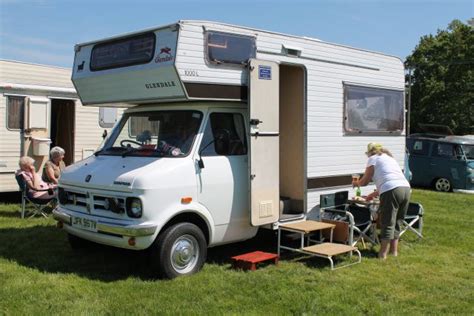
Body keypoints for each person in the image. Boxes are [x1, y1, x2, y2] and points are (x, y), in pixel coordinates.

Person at [352, 142, 411, 259]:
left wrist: (356, 183)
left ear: (370, 152)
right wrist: (372, 194)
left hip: (392, 190)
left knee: (387, 222)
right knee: (398, 221)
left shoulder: (373, 159)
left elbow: (365, 181)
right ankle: (393, 252)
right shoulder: (389, 158)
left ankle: (382, 254)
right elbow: (390, 180)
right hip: (406, 189)